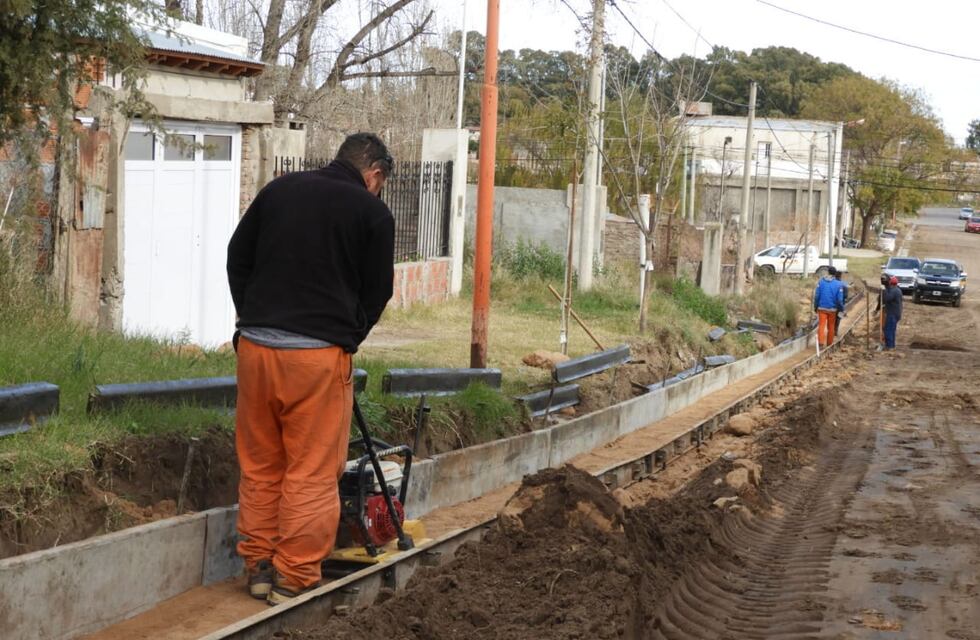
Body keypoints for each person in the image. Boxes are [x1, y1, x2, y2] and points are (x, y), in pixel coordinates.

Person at [227, 133, 395, 604]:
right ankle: (293, 577)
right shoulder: (372, 212)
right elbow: (378, 292)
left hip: (257, 350)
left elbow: (237, 257)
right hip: (318, 359)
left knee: (260, 464)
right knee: (312, 471)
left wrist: (253, 319)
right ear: (374, 174)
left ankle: (259, 566)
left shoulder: (279, 190)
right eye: (379, 183)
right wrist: (348, 336)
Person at [813, 266, 845, 348]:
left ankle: (820, 343)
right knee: (831, 326)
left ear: (828, 272)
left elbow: (817, 296)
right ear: (835, 274)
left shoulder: (821, 282)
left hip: (821, 308)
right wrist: (841, 309)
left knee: (821, 325)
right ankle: (829, 344)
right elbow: (839, 299)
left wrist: (816, 306)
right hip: (832, 309)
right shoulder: (838, 284)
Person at [882, 275, 903, 350]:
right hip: (896, 313)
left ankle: (889, 346)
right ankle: (892, 345)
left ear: (891, 283)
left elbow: (887, 298)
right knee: (892, 330)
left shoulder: (894, 291)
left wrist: (884, 291)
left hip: (892, 314)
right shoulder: (898, 290)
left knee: (888, 329)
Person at [834, 270, 849, 335]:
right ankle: (836, 330)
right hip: (841, 304)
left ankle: (832, 330)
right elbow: (846, 295)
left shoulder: (832, 283)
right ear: (841, 276)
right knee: (838, 317)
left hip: (833, 304)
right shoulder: (844, 284)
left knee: (832, 318)